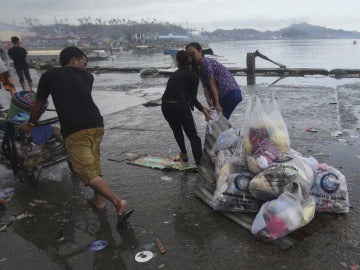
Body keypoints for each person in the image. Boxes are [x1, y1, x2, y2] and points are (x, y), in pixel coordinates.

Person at [20, 46, 133, 225]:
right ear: (74, 59)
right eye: (83, 62)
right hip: (97, 125)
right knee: (94, 165)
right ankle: (98, 201)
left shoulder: (50, 75)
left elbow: (39, 104)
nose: (85, 66)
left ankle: (118, 202)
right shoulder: (88, 77)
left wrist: (31, 124)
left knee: (87, 172)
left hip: (75, 129)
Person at [161, 50, 212, 166]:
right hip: (180, 106)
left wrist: (201, 108)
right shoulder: (193, 75)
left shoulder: (174, 75)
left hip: (166, 106)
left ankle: (184, 155)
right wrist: (203, 109)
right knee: (193, 137)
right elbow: (192, 98)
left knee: (177, 130)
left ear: (178, 62)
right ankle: (199, 165)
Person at [186, 42, 242, 120]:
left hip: (229, 93)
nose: (191, 57)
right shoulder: (198, 67)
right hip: (230, 94)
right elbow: (205, 87)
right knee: (218, 122)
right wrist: (210, 104)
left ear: (200, 51)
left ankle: (229, 132)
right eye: (189, 55)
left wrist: (217, 104)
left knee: (219, 123)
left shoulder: (204, 62)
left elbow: (212, 84)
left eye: (193, 53)